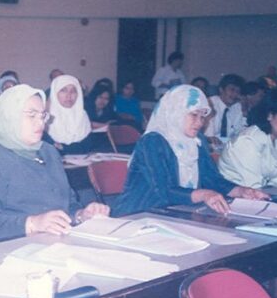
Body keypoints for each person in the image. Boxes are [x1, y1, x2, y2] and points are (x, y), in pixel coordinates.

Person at [0, 84, 109, 243]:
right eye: (31, 115)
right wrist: (32, 223)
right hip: (14, 246)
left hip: (58, 242)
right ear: (9, 116)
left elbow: (68, 203)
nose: (41, 123)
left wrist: (81, 215)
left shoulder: (48, 151)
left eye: (42, 115)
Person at [112, 85, 268, 217]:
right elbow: (163, 191)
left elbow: (212, 179)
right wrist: (204, 194)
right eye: (194, 115)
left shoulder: (196, 141)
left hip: (176, 212)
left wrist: (241, 191)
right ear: (175, 112)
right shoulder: (152, 142)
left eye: (202, 117)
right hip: (138, 214)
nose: (200, 122)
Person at [219, 92, 277, 188]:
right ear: (270, 115)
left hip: (261, 193)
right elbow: (253, 185)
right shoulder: (247, 141)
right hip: (235, 195)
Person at [45, 74, 93, 155]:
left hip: (80, 161)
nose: (69, 95)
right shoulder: (44, 116)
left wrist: (63, 148)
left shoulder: (82, 115)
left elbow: (87, 146)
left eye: (73, 91)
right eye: (63, 90)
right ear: (55, 92)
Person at [204, 74, 245, 142]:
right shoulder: (210, 103)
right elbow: (209, 136)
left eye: (238, 91)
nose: (235, 94)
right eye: (232, 90)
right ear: (221, 90)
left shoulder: (237, 107)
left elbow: (240, 132)